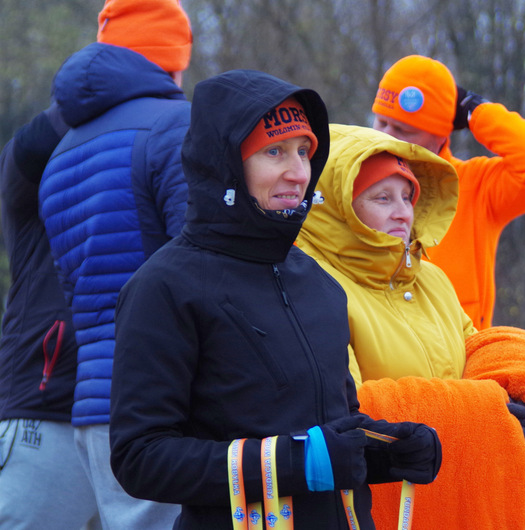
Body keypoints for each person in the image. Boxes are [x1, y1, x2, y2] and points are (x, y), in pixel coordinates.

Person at [108, 69, 442, 530]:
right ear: (226, 163)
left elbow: (332, 428)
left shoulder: (319, 283)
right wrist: (296, 463)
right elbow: (140, 458)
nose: (299, 172)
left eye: (304, 151)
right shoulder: (164, 286)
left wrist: (386, 452)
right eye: (274, 152)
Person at [296, 124, 525, 529]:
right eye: (382, 198)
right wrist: (487, 421)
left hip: (471, 493)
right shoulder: (313, 288)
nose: (403, 212)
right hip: (387, 507)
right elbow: (345, 411)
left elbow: (472, 355)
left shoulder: (430, 278)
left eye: (408, 196)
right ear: (336, 206)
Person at [37, 0, 194, 527]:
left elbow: (73, 290)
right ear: (172, 57)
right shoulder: (175, 126)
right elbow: (201, 264)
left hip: (94, 409)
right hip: (168, 403)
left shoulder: (60, 155)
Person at [372, 54, 525, 329]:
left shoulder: (476, 187)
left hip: (460, 351)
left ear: (440, 136)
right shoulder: (353, 183)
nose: (387, 137)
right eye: (381, 123)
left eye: (404, 130)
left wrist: (475, 111)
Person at [0, 105, 101, 529]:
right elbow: (29, 147)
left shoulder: (142, 187)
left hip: (133, 424)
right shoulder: (29, 186)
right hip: (45, 411)